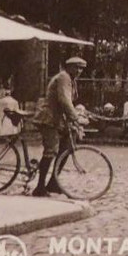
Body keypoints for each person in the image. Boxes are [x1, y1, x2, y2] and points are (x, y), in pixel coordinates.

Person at [33, 55, 89, 196]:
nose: (79, 71)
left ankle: (53, 183)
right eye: (77, 67)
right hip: (49, 118)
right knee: (51, 150)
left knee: (67, 146)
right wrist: (75, 117)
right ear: (69, 67)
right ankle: (39, 187)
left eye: (81, 68)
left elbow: (69, 101)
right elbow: (64, 100)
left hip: (58, 120)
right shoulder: (63, 77)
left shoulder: (71, 80)